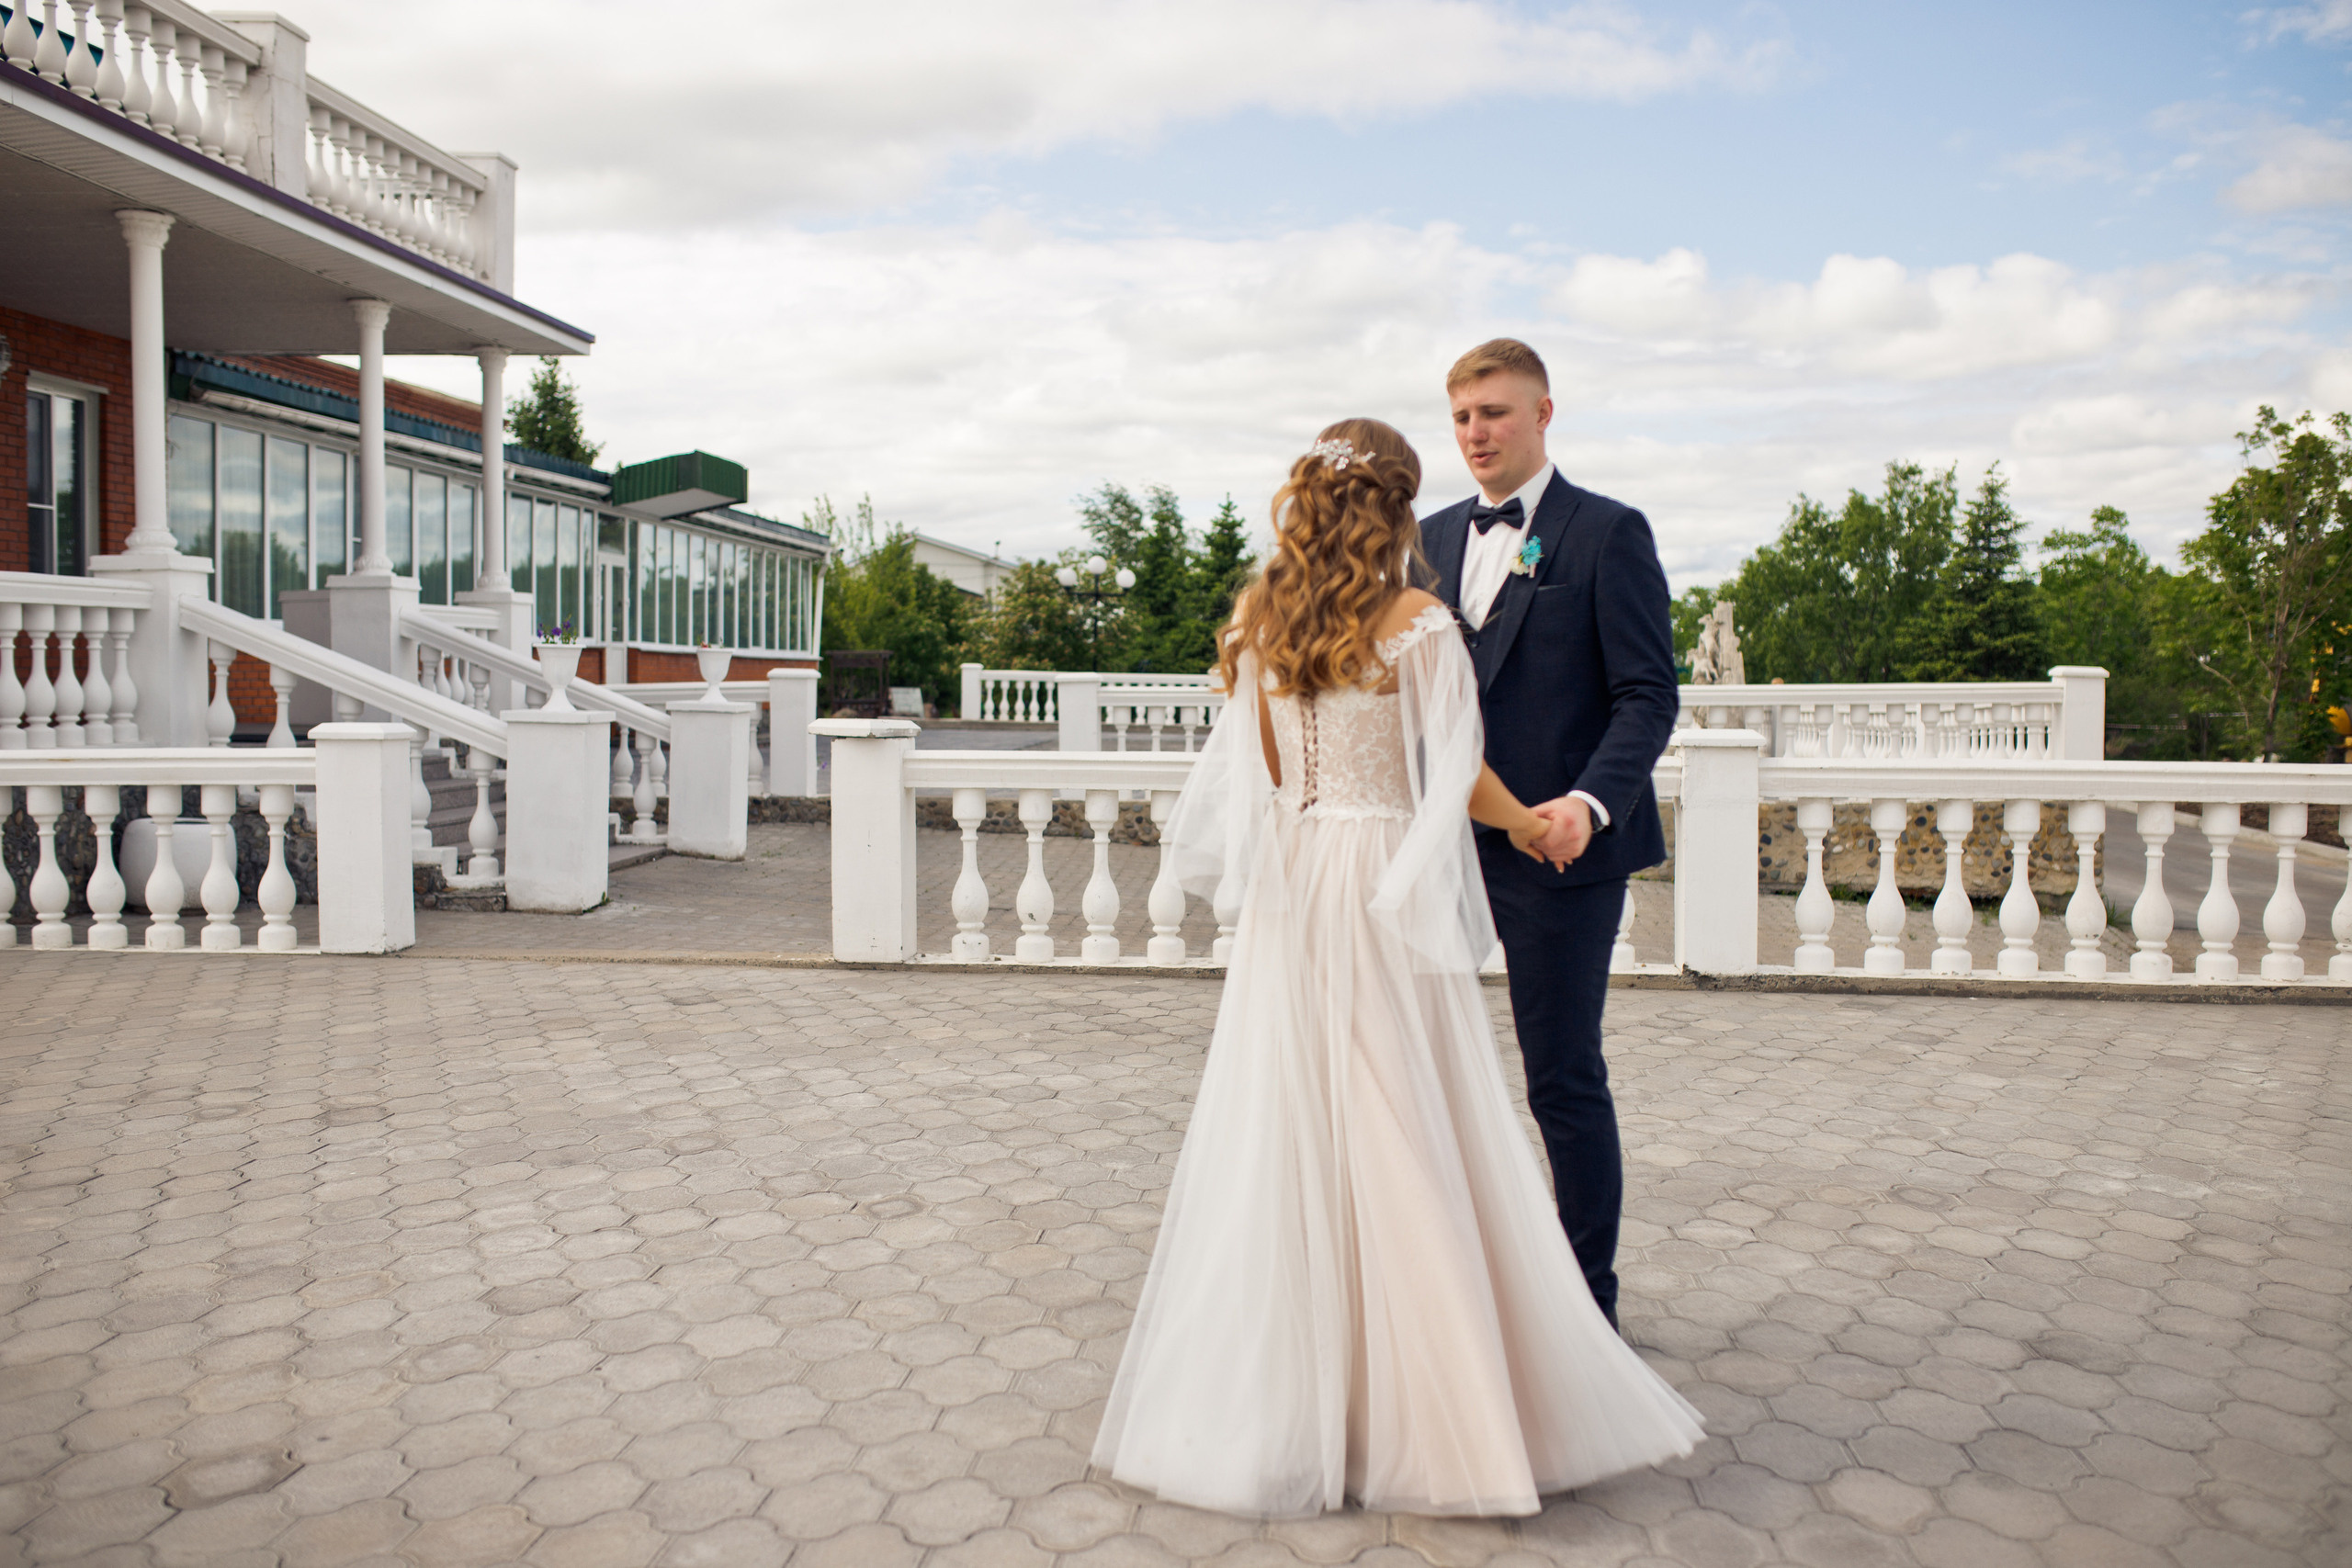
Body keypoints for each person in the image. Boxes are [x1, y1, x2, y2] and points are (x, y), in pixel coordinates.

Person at [1091, 418, 1702, 1520]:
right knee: (1398, 1119)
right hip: (1375, 873)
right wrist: (1533, 826)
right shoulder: (1419, 624)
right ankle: (1435, 1416)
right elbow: (1457, 773)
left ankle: (1298, 1388)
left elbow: (1264, 772)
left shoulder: (1256, 619)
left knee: (1304, 1118)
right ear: (1396, 507)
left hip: (1296, 883)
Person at [1420, 339, 1680, 1332]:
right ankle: (1446, 1296)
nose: (1476, 433)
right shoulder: (1428, 538)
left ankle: (1586, 1315)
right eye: (1460, 417)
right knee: (1414, 1064)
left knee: (1562, 1077)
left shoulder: (1609, 533)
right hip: (1437, 847)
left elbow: (1647, 693)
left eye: (1493, 412)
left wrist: (1588, 802)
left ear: (1542, 414)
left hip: (1558, 852)